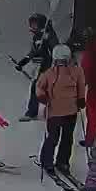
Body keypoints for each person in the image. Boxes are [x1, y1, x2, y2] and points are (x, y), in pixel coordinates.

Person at [35, 45, 85, 180]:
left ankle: (63, 161)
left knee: (67, 138)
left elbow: (81, 85)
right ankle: (47, 161)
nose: (61, 64)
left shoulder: (76, 71)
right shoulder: (49, 74)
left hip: (71, 110)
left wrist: (81, 99)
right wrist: (42, 97)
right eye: (59, 61)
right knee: (53, 137)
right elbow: (39, 86)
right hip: (54, 111)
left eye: (64, 61)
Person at [14, 13, 59, 121]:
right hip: (40, 66)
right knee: (36, 88)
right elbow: (34, 52)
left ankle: (54, 111)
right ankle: (32, 112)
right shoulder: (37, 37)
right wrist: (23, 62)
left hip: (50, 66)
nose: (32, 27)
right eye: (31, 25)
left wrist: (47, 42)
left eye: (35, 25)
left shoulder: (49, 35)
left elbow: (56, 50)